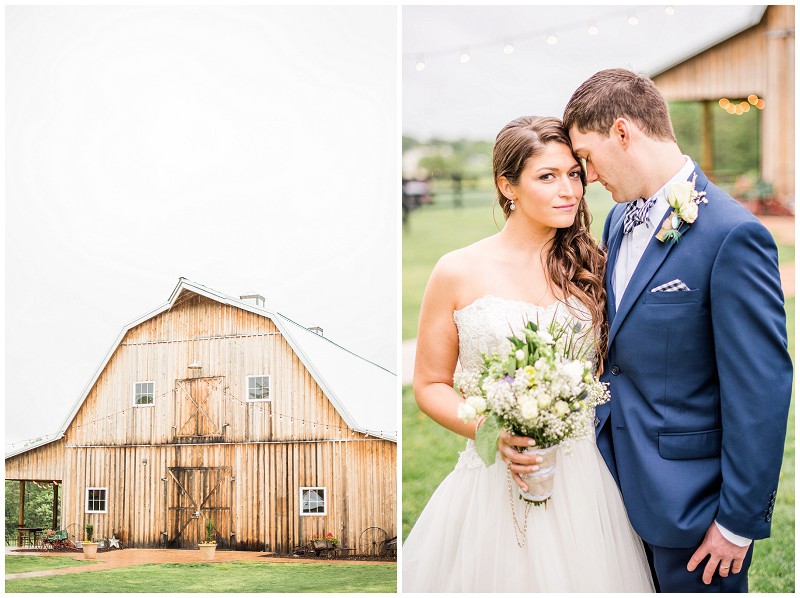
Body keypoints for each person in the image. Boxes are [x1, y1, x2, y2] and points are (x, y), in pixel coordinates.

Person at [560, 68, 792, 592]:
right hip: (610, 489)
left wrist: (737, 523)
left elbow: (760, 390)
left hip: (693, 509)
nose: (588, 177)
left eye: (587, 157)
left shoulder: (732, 236)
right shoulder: (618, 222)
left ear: (623, 133)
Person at [402, 115, 654, 592]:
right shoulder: (456, 271)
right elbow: (429, 385)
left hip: (584, 477)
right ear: (507, 185)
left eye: (574, 174)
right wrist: (490, 431)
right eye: (547, 176)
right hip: (492, 477)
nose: (570, 191)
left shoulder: (596, 267)